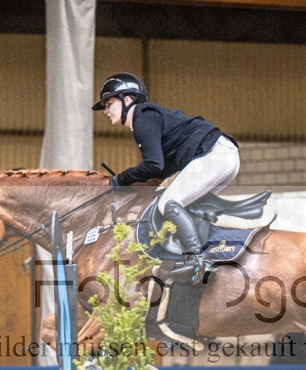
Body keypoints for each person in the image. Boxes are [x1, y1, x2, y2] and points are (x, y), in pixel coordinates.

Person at [93, 72, 239, 284]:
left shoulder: (142, 116)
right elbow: (161, 169)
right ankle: (201, 254)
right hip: (224, 156)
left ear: (127, 100)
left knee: (169, 203)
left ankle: (197, 259)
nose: (106, 110)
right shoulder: (146, 118)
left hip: (215, 155)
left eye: (109, 103)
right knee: (185, 205)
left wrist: (120, 180)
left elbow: (153, 165)